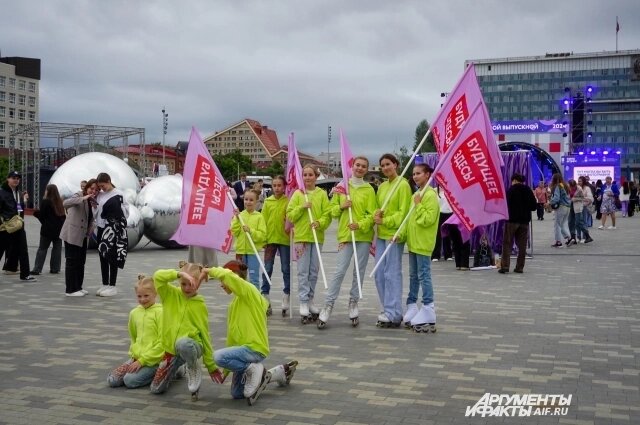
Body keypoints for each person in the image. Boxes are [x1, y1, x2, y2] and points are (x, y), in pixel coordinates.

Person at [200, 261, 298, 404]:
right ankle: (276, 373)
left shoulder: (249, 291)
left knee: (217, 356)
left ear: (234, 279)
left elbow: (228, 275)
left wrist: (208, 270)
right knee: (237, 393)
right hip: (243, 353)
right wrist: (226, 371)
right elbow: (232, 339)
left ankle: (254, 369)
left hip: (254, 349)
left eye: (223, 281)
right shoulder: (234, 305)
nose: (221, 284)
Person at [317, 156, 377, 329]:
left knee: (359, 272)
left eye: (363, 166)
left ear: (366, 170)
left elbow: (371, 214)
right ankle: (328, 305)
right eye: (357, 165)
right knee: (339, 270)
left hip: (362, 236)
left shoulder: (369, 189)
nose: (360, 168)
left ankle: (353, 302)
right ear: (352, 166)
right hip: (345, 235)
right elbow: (331, 211)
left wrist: (360, 224)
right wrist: (342, 206)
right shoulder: (342, 187)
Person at [150, 262, 217, 397]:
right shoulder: (170, 294)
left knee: (183, 343)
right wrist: (178, 273)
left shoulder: (200, 305)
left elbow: (205, 334)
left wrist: (210, 365)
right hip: (171, 350)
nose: (187, 288)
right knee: (156, 389)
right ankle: (179, 368)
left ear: (199, 282)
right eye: (183, 283)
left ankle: (192, 366)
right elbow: (157, 276)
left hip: (192, 346)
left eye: (191, 283)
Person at [287, 165, 332, 323]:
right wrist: (301, 207)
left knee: (313, 271)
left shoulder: (322, 194)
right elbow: (290, 215)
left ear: (316, 176)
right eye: (304, 175)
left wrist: (319, 223)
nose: (307, 177)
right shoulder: (298, 194)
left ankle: (310, 299)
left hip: (317, 238)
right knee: (302, 271)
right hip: (302, 238)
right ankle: (303, 301)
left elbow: (328, 214)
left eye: (310, 175)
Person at [373, 153, 411, 328]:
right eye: (382, 165)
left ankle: (394, 313)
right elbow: (378, 209)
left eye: (388, 164)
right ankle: (387, 308)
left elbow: (403, 213)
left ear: (396, 164)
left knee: (392, 274)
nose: (385, 168)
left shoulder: (402, 185)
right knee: (380, 274)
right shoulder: (381, 188)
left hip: (394, 235)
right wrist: (377, 216)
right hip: (381, 235)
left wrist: (386, 221)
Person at [107, 274, 164, 389]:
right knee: (112, 381)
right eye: (139, 296)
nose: (142, 299)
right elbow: (133, 336)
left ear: (155, 294)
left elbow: (163, 343)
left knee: (129, 381)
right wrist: (135, 357)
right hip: (137, 358)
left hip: (155, 360)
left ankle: (165, 370)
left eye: (146, 296)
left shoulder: (161, 313)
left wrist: (143, 361)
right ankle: (134, 366)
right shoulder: (134, 313)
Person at [401, 163, 439, 333]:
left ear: (427, 175)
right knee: (414, 276)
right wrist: (401, 236)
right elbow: (410, 220)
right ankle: (412, 304)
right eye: (414, 174)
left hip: (423, 243)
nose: (415, 176)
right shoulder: (416, 194)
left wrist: (418, 204)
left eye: (419, 173)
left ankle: (428, 307)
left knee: (424, 275)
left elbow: (427, 220)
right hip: (413, 243)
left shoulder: (430, 195)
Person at [260, 175, 290, 316]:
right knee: (268, 268)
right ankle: (265, 295)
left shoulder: (288, 201)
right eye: (274, 185)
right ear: (271, 187)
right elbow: (263, 220)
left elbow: (291, 219)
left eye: (280, 185)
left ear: (284, 186)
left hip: (284, 239)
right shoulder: (267, 201)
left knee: (285, 268)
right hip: (270, 239)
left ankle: (286, 295)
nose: (277, 188)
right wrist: (263, 240)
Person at [95, 172, 129, 297]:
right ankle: (105, 283)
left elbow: (126, 212)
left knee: (112, 256)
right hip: (101, 228)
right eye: (100, 186)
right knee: (102, 255)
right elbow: (97, 212)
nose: (102, 188)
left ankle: (112, 285)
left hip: (113, 230)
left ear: (109, 181)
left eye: (103, 186)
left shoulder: (119, 194)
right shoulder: (100, 195)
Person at [0, 170, 36, 282]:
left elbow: (19, 210)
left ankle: (25, 274)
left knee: (23, 250)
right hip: (6, 227)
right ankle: (12, 268)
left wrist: (24, 202)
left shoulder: (18, 193)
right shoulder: (2, 192)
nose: (16, 180)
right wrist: (2, 223)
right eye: (13, 178)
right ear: (8, 179)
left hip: (18, 226)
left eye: (17, 178)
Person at [498, 173, 537, 274]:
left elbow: (504, 205)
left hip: (511, 221)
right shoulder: (528, 190)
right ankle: (519, 267)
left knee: (507, 244)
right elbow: (534, 206)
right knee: (522, 245)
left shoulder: (510, 190)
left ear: (514, 180)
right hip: (524, 222)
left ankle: (505, 266)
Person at [231, 188, 266, 289]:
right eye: (246, 199)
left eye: (251, 200)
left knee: (254, 278)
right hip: (241, 252)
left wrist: (251, 231)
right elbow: (234, 231)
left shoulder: (259, 217)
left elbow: (262, 236)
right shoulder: (240, 215)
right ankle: (242, 300)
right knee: (240, 278)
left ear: (256, 201)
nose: (248, 202)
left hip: (253, 252)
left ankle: (256, 300)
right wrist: (237, 219)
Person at [31, 184, 66, 275]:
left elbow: (42, 216)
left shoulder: (46, 201)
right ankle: (55, 268)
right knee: (57, 249)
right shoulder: (60, 202)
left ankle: (37, 269)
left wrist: (35, 213)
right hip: (59, 230)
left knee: (42, 249)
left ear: (48, 191)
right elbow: (63, 216)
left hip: (47, 230)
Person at [549, 173, 571, 247]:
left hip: (561, 207)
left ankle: (559, 241)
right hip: (568, 207)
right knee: (563, 224)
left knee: (557, 225)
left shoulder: (558, 186)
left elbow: (556, 198)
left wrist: (550, 202)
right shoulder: (565, 185)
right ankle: (569, 238)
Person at [569, 179, 593, 245]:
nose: (572, 187)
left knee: (579, 222)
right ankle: (573, 237)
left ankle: (587, 236)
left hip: (578, 207)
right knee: (570, 222)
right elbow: (569, 196)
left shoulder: (579, 189)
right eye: (571, 186)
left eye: (573, 186)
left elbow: (583, 198)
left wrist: (575, 199)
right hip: (571, 206)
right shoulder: (569, 188)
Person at [432, 187, 453, 262]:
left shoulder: (450, 189)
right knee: (437, 234)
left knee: (447, 235)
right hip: (439, 213)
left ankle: (448, 255)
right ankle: (435, 255)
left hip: (449, 214)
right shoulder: (434, 190)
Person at [577, 176, 595, 243]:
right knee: (577, 223)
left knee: (584, 222)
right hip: (577, 207)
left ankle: (585, 237)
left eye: (580, 181)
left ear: (583, 181)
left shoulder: (587, 188)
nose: (579, 182)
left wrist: (584, 200)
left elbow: (590, 198)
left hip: (584, 207)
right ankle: (578, 237)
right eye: (578, 181)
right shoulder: (577, 188)